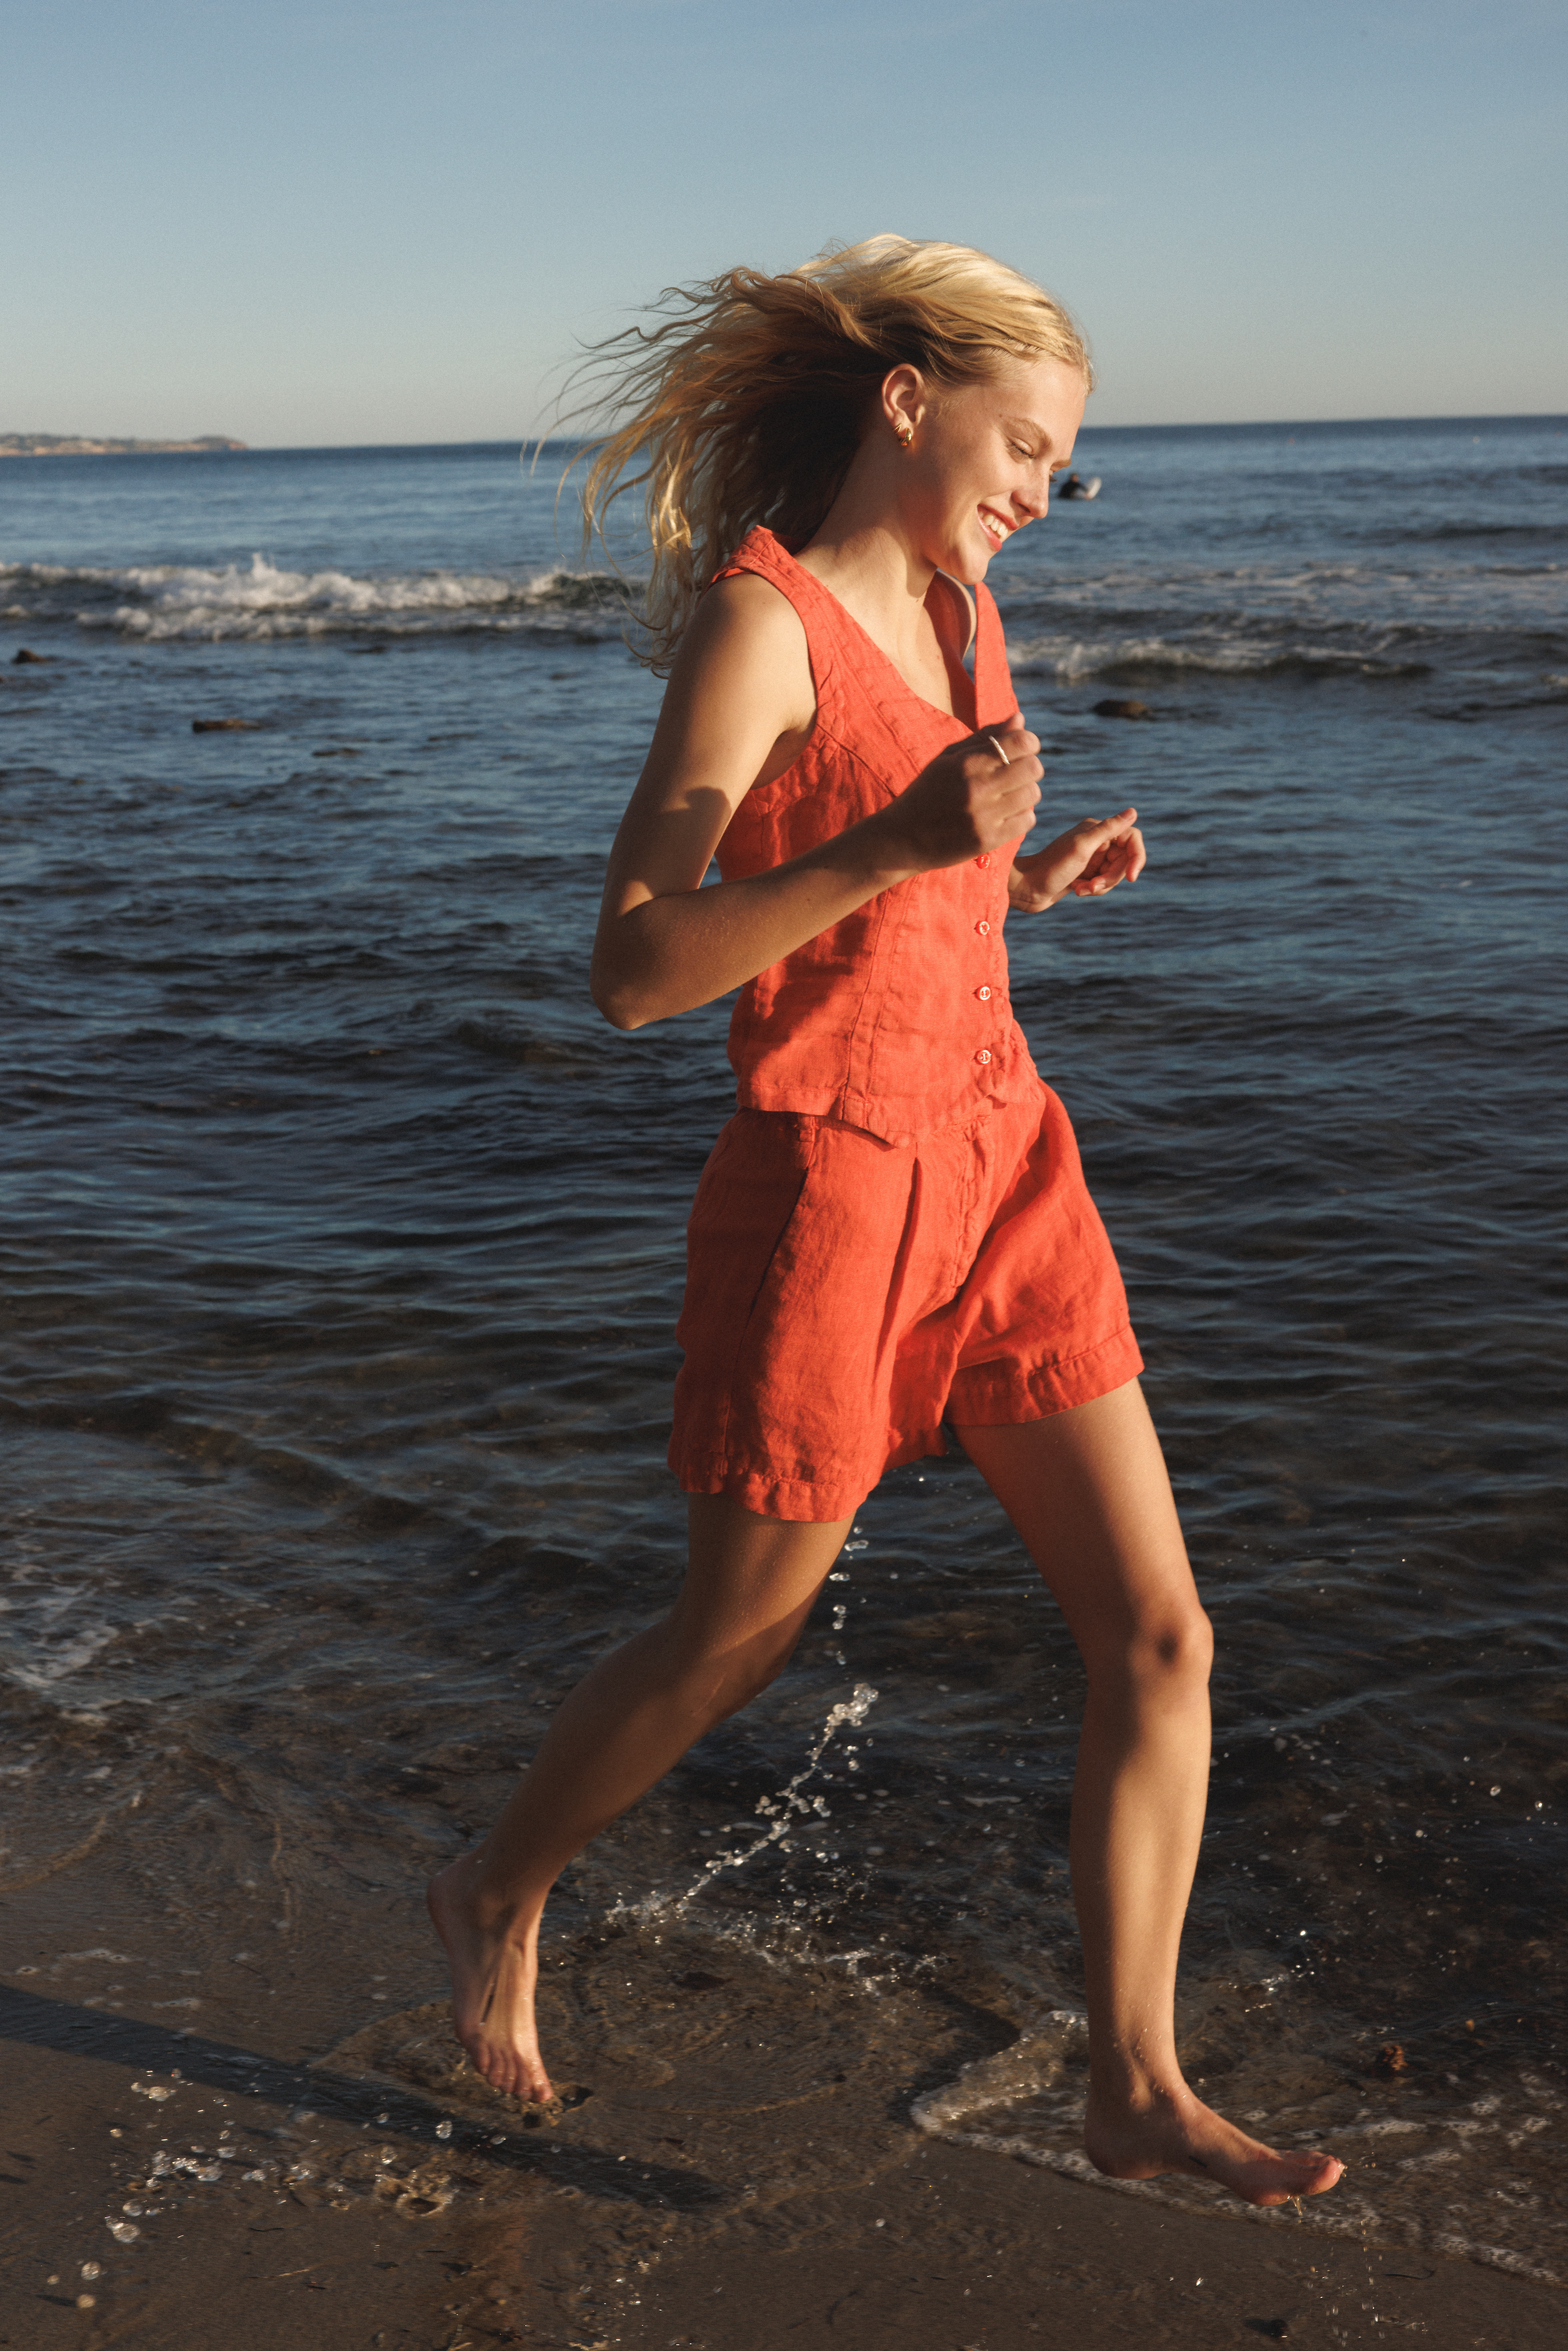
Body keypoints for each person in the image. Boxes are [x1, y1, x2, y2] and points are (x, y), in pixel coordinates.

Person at [429, 235, 1343, 2210]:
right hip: (829, 1188)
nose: (1041, 494)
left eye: (1063, 468)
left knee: (1160, 1636)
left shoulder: (958, 605)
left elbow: (912, 886)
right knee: (732, 1642)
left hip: (1004, 1159)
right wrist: (898, 842)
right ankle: (495, 1887)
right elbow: (636, 970)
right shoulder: (760, 628)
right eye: (1024, 449)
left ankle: (1131, 2078)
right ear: (907, 404)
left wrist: (1009, 883)